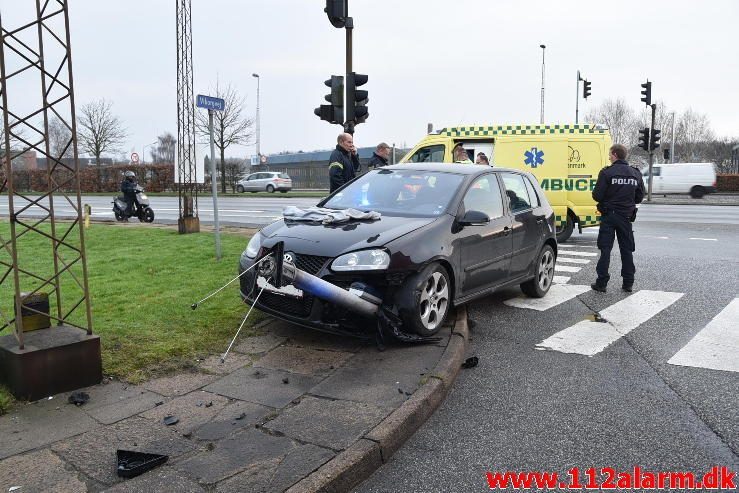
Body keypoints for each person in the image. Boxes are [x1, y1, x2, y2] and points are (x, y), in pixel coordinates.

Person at [590, 144, 646, 293]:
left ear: (614, 154)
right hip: (626, 217)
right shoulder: (635, 174)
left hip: (609, 215)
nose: (609, 157)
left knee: (606, 249)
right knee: (626, 250)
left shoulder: (607, 173)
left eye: (610, 154)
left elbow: (597, 196)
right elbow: (639, 197)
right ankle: (628, 283)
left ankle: (601, 283)